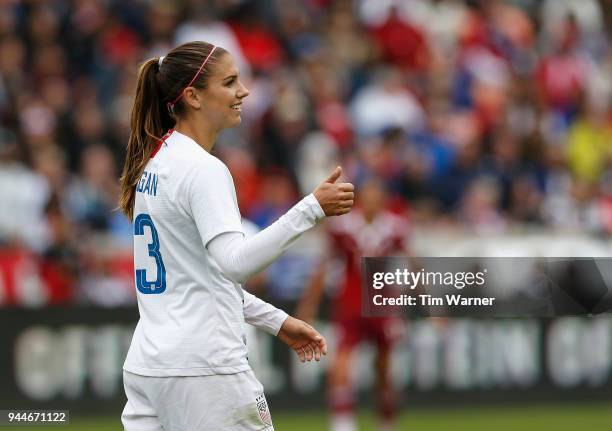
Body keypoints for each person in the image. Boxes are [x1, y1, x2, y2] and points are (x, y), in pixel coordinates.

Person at [118, 41, 354, 431]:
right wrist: (311, 208)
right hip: (206, 369)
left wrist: (277, 321)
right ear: (192, 96)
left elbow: (200, 280)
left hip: (149, 366)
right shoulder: (203, 170)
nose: (243, 92)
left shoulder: (155, 162)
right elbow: (235, 262)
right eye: (229, 82)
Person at [297, 179, 409, 431]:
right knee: (340, 365)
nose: (370, 202)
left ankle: (386, 422)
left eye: (375, 197)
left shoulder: (395, 226)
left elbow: (411, 261)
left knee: (384, 370)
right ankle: (343, 425)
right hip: (350, 303)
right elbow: (324, 265)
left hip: (382, 304)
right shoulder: (343, 227)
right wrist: (309, 305)